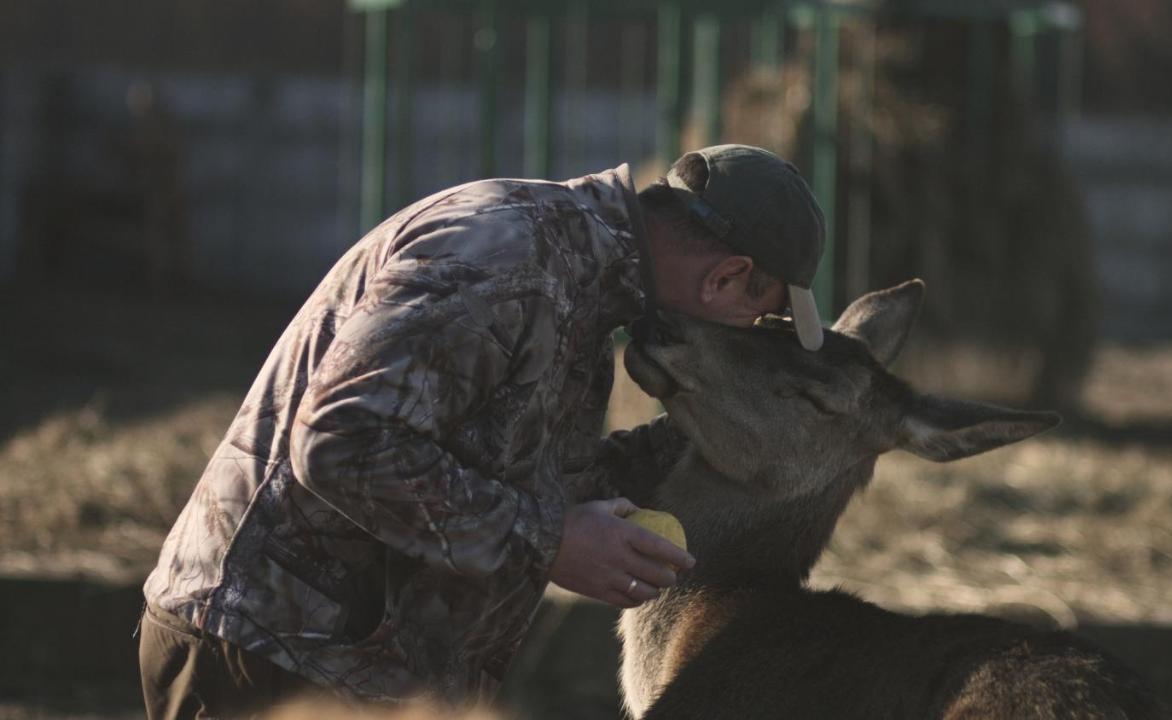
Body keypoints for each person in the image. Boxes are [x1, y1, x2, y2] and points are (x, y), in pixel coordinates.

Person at [138, 144, 826, 717]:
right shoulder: (506, 258)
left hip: (341, 668)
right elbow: (342, 441)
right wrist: (548, 541)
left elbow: (532, 477)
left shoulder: (582, 287)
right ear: (728, 278)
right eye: (757, 318)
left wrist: (701, 441)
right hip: (270, 660)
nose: (744, 338)